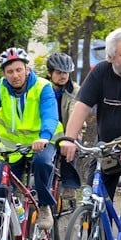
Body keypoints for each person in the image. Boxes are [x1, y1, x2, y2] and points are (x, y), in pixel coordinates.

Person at [61, 27, 121, 240]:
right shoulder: (100, 73)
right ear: (111, 57)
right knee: (95, 191)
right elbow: (81, 108)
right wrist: (69, 139)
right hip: (108, 142)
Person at [0, 47, 60, 230]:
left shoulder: (43, 87)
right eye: (10, 71)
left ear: (27, 70)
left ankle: (44, 206)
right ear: (4, 74)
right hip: (13, 147)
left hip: (43, 141)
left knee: (42, 164)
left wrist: (44, 137)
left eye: (19, 70)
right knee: (0, 190)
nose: (15, 75)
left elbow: (50, 115)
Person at [46, 51, 83, 199]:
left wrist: (72, 134)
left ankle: (69, 185)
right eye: (59, 72)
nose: (63, 76)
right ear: (50, 73)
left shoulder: (74, 89)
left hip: (68, 128)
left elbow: (76, 110)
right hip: (48, 131)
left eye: (66, 73)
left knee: (70, 149)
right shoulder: (42, 87)